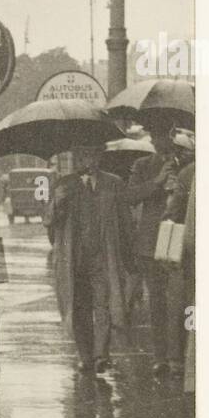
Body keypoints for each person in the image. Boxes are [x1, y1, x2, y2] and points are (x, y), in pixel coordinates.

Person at [45, 146, 134, 378]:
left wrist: (128, 256)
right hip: (75, 258)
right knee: (79, 306)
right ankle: (85, 355)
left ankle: (101, 355)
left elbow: (125, 222)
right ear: (77, 159)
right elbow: (50, 224)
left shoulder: (113, 183)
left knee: (103, 304)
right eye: (84, 156)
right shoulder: (64, 185)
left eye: (93, 155)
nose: (89, 161)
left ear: (99, 157)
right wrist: (58, 203)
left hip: (104, 255)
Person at [126, 120, 193, 379]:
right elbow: (131, 197)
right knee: (157, 302)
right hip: (152, 242)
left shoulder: (188, 164)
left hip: (182, 239)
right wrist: (158, 181)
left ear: (172, 135)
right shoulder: (143, 166)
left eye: (162, 136)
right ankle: (161, 356)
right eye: (153, 137)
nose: (157, 142)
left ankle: (182, 354)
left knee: (183, 300)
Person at [165, 137, 195, 393]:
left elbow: (172, 215)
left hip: (192, 251)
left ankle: (182, 359)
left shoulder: (186, 175)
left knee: (187, 306)